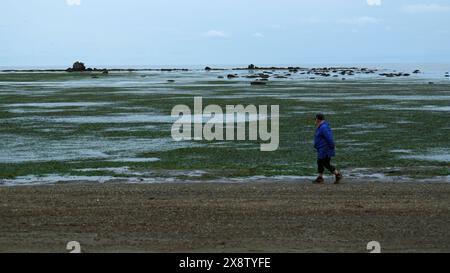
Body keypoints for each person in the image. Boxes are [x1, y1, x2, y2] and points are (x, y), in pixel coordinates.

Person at [313, 113, 342, 184]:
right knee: (320, 162)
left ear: (318, 119)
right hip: (322, 148)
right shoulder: (321, 126)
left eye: (315, 119)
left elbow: (329, 137)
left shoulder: (323, 127)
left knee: (325, 163)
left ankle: (337, 174)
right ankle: (320, 177)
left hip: (325, 149)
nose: (315, 120)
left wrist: (332, 146)